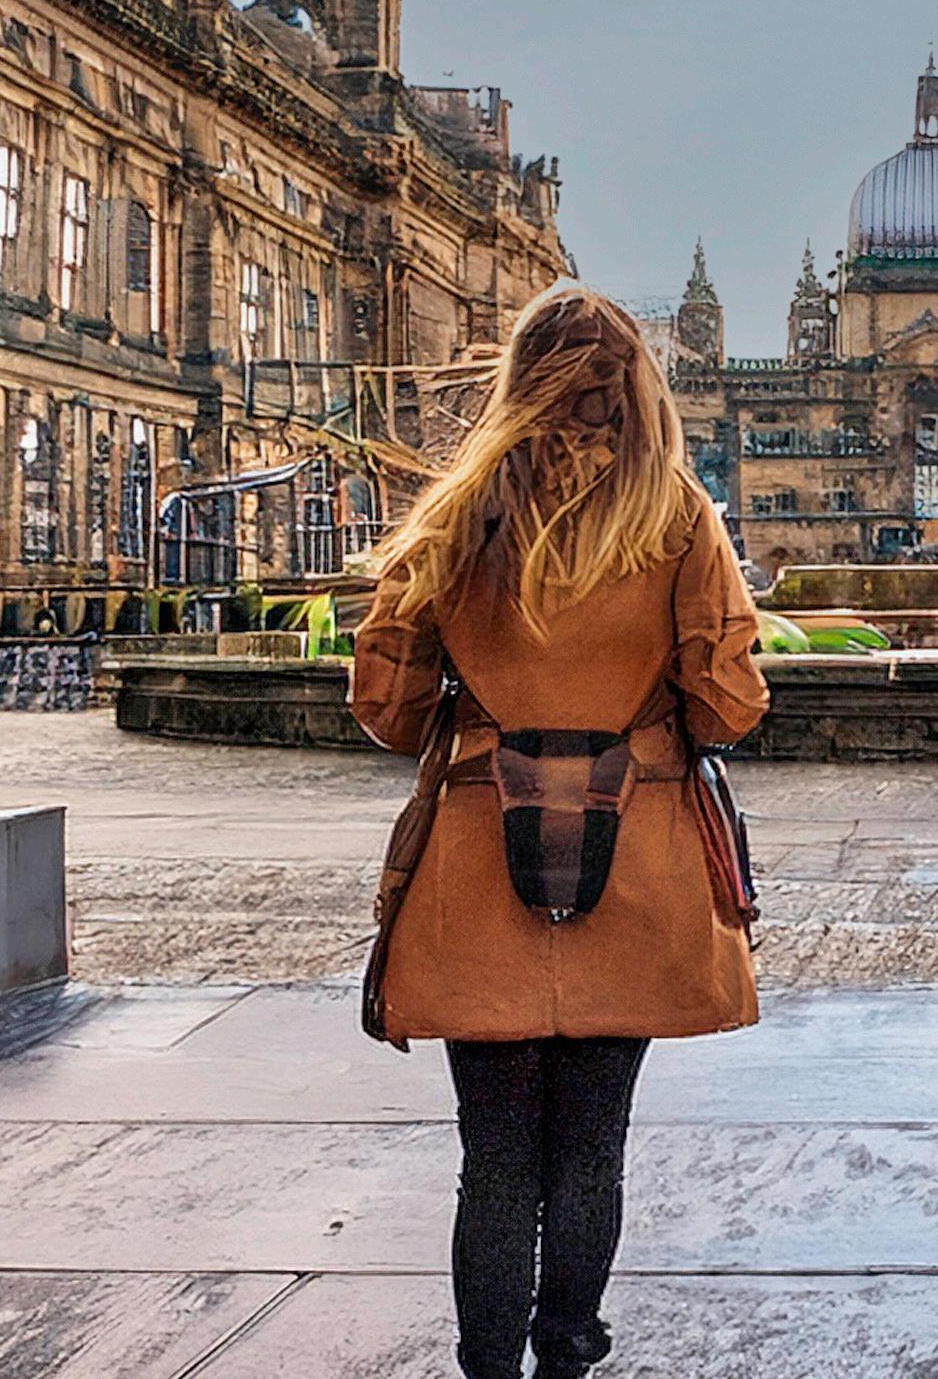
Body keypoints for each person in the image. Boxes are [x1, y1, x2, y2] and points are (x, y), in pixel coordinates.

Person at [351, 283, 768, 1379]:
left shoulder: (456, 513)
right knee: (590, 1150)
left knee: (493, 1160)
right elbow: (729, 705)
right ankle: (567, 1351)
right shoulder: (676, 515)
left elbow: (388, 708)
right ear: (633, 386)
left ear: (518, 379)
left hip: (477, 857)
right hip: (635, 862)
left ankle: (487, 1363)